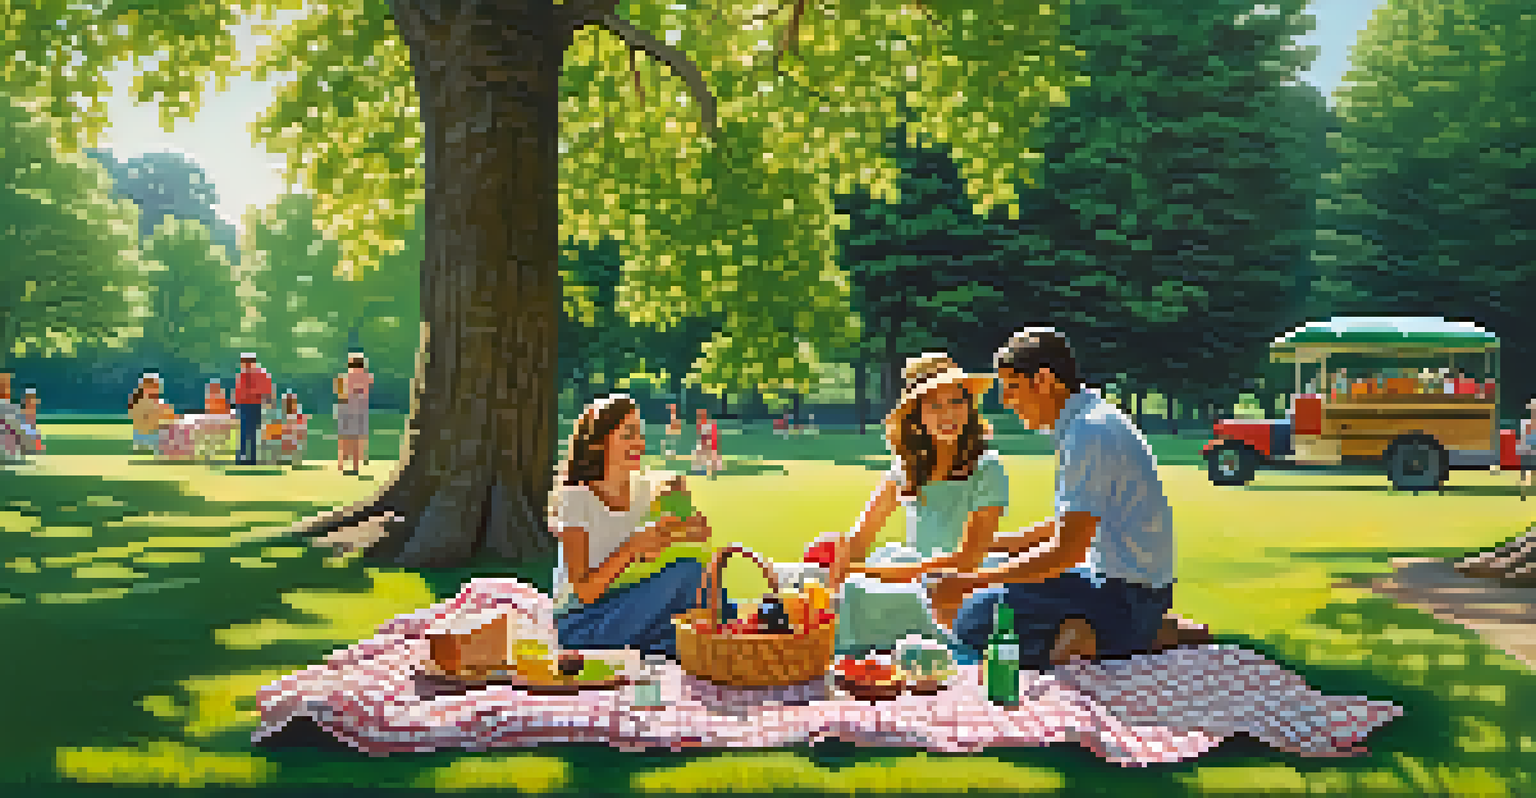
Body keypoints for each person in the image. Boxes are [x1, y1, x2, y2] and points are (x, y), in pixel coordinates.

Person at [943, 329, 1176, 669]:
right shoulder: (1092, 420)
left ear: (1044, 381)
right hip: (1133, 588)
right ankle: (1134, 631)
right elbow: (1081, 521)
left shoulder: (1088, 432)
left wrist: (968, 581)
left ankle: (1105, 637)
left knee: (973, 617)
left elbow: (1067, 552)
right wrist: (1002, 545)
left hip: (1125, 595)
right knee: (997, 576)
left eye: (1012, 389)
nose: (1006, 402)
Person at [550, 394, 714, 659]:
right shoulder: (576, 498)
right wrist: (633, 548)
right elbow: (584, 591)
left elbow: (689, 533)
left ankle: (673, 643)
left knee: (703, 579)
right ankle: (668, 643)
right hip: (581, 621)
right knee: (688, 575)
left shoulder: (645, 489)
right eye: (628, 434)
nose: (639, 443)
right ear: (598, 443)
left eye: (639, 433)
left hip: (630, 607)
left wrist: (689, 528)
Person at [335, 353, 373, 473]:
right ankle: (355, 467)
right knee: (357, 439)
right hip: (361, 410)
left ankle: (341, 464)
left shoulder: (348, 376)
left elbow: (342, 393)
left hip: (349, 409)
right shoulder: (367, 376)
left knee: (345, 438)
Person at [234, 354, 274, 465]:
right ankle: (241, 457)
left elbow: (265, 390)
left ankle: (252, 458)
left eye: (246, 361)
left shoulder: (260, 373)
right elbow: (238, 390)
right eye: (243, 362)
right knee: (243, 432)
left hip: (255, 405)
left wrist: (265, 400)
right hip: (244, 405)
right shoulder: (242, 374)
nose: (244, 364)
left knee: (252, 433)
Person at [128, 373, 178, 454]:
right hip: (152, 440)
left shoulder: (136, 400)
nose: (158, 388)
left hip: (140, 440)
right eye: (156, 385)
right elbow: (171, 417)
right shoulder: (151, 402)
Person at [693, 407, 722, 479]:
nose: (698, 418)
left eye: (700, 415)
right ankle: (703, 472)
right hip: (706, 445)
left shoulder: (709, 425)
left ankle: (711, 473)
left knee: (709, 459)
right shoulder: (701, 425)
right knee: (700, 456)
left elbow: (711, 437)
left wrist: (708, 444)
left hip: (710, 446)